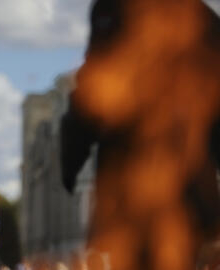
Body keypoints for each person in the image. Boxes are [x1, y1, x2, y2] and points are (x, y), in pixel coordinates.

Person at [60, 1, 220, 269]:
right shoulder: (202, 17)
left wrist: (72, 157)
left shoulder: (112, 10)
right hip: (177, 189)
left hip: (143, 187)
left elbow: (92, 92)